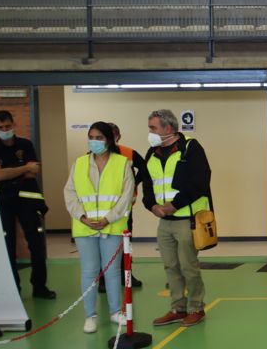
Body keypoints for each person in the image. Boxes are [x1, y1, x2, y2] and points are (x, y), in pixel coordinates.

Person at [143, 109, 213, 328]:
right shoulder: (152, 152)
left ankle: (196, 308)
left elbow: (200, 182)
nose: (150, 132)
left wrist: (174, 205)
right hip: (164, 221)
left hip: (186, 219)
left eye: (153, 128)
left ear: (168, 128)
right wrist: (151, 205)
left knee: (188, 266)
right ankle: (178, 308)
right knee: (170, 266)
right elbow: (147, 184)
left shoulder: (190, 148)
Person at [63, 122, 134, 333]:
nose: (94, 141)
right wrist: (82, 217)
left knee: (112, 271)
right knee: (89, 271)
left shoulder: (122, 163)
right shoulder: (79, 163)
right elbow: (70, 193)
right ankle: (90, 316)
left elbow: (126, 196)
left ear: (109, 140)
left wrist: (108, 218)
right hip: (85, 227)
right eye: (91, 137)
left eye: (99, 138)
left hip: (112, 226)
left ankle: (115, 312)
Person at [0, 110, 54, 299]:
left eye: (7, 126)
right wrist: (24, 168)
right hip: (3, 202)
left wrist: (10, 172)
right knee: (7, 247)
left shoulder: (25, 144)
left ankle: (40, 287)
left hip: (28, 200)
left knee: (36, 245)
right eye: (0, 127)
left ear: (14, 124)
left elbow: (33, 172)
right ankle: (13, 289)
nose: (5, 130)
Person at [109, 122, 148, 290]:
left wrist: (134, 183)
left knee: (126, 242)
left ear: (118, 136)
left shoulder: (129, 153)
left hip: (125, 207)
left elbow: (145, 169)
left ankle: (127, 274)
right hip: (103, 209)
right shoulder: (93, 156)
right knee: (105, 244)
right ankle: (104, 279)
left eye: (113, 135)